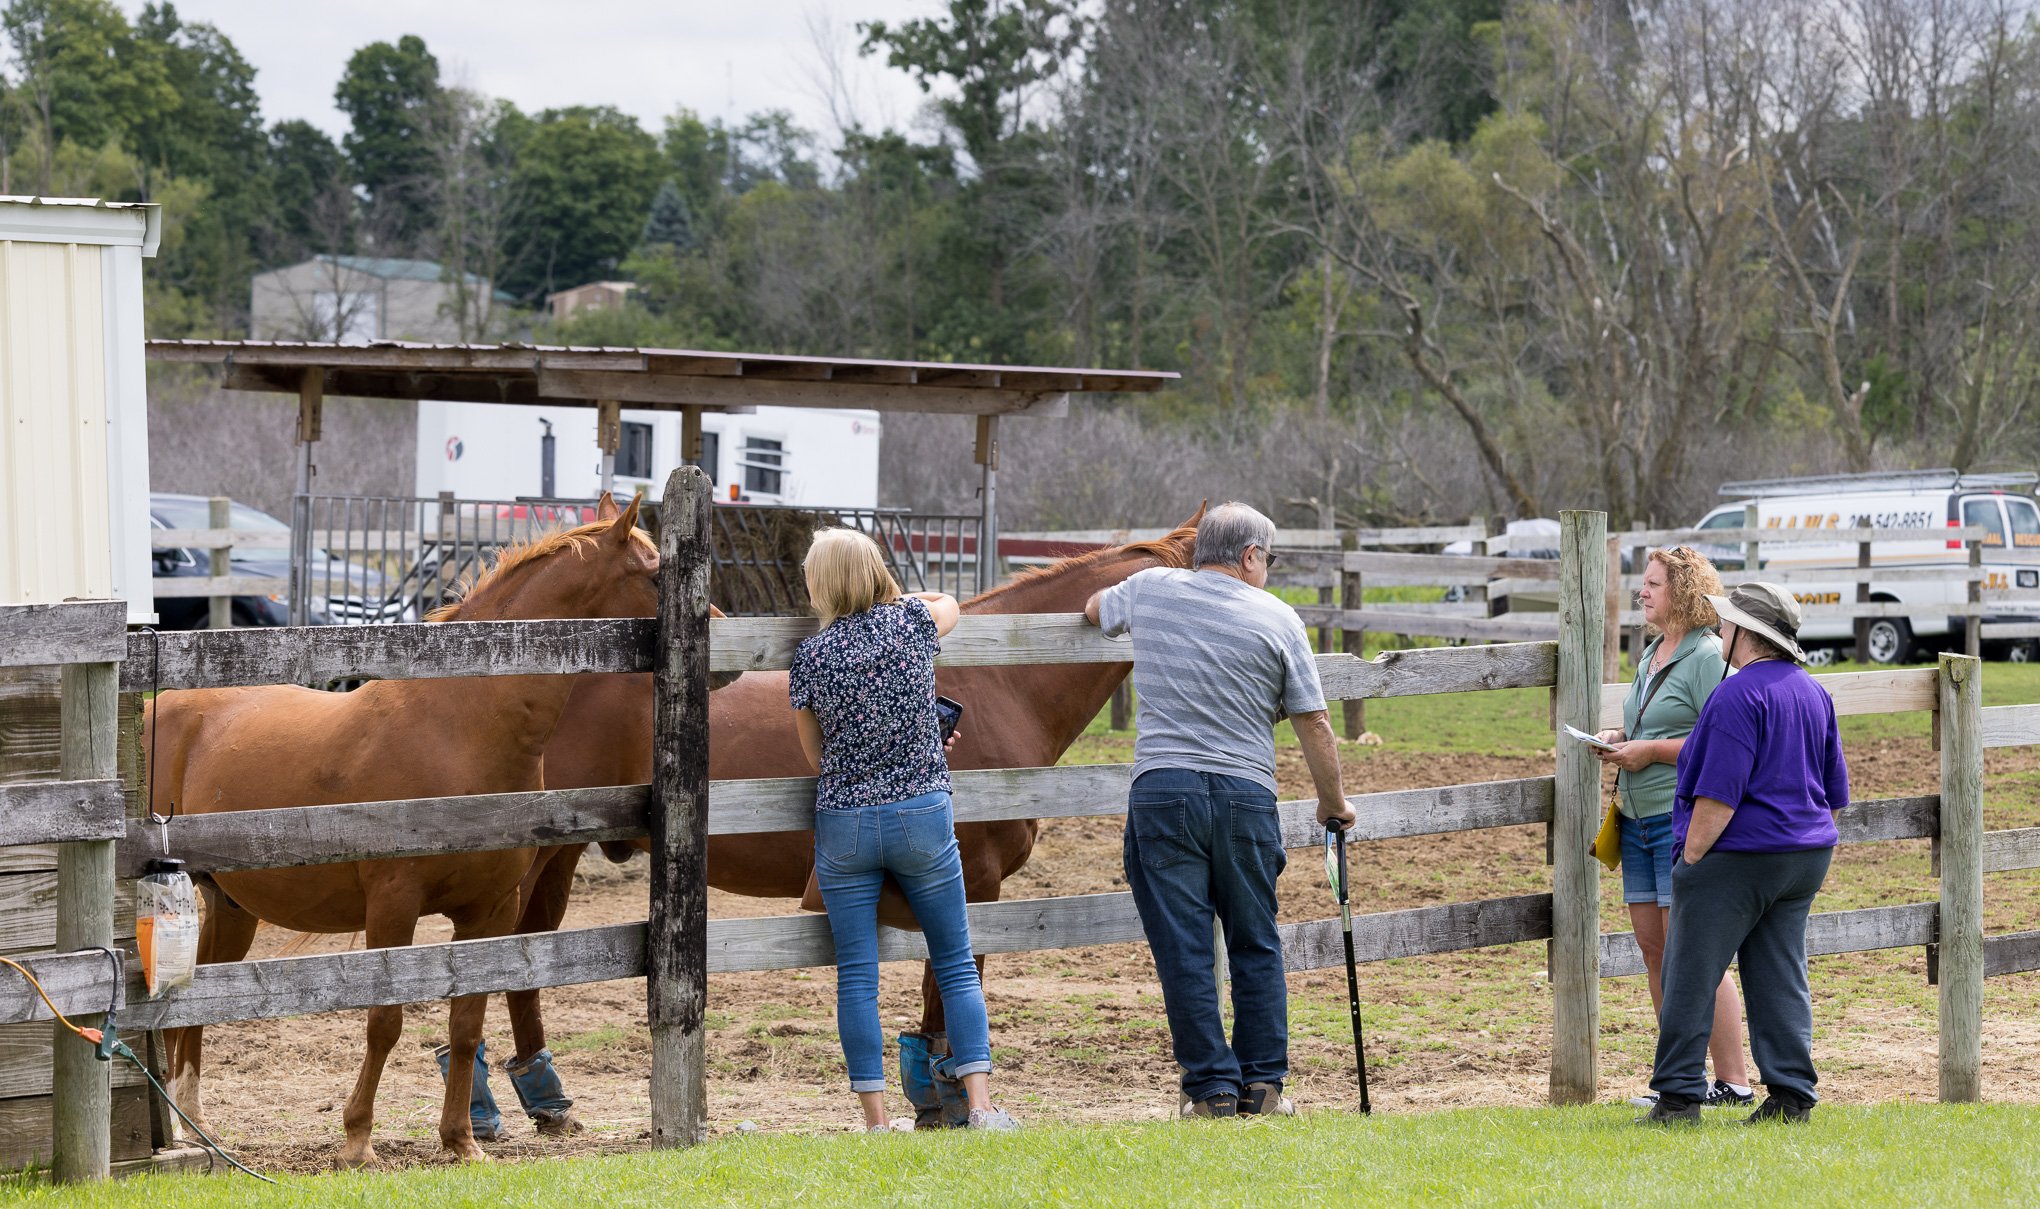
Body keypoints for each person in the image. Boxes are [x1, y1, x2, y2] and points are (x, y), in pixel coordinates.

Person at [1082, 502, 1357, 1119]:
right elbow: (1312, 719)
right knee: (1254, 939)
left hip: (1164, 788)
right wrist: (1332, 801)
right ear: (1251, 557)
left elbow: (1095, 609)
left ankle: (1209, 1090)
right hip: (1244, 795)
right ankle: (1263, 1085)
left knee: (1183, 948)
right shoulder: (1279, 619)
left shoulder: (1151, 589)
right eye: (1270, 559)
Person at [788, 528, 1018, 1132]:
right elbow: (952, 603)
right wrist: (895, 596)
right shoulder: (911, 625)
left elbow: (817, 756)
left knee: (858, 975)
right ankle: (982, 1107)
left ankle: (875, 1122)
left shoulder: (811, 656)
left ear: (822, 584)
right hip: (920, 812)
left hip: (845, 821)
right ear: (877, 574)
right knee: (956, 963)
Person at [1638, 583, 1850, 1126]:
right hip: (1804, 855)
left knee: (1689, 970)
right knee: (1780, 970)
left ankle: (1679, 1096)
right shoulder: (1812, 692)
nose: (1720, 630)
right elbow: (1835, 791)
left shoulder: (1736, 696)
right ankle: (1791, 1096)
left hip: (1739, 854)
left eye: (1727, 624)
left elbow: (1718, 795)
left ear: (1746, 635)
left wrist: (1690, 857)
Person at [1595, 547, 1754, 1110]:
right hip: (1635, 820)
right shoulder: (1651, 655)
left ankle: (1733, 1082)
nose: (1643, 592)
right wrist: (1620, 740)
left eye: (1655, 584)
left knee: (1695, 952)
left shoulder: (1708, 657)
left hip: (1678, 819)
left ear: (1683, 592)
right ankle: (1677, 1079)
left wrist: (1652, 752)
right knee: (1655, 949)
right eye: (1644, 582)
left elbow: (1725, 743)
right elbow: (1656, 725)